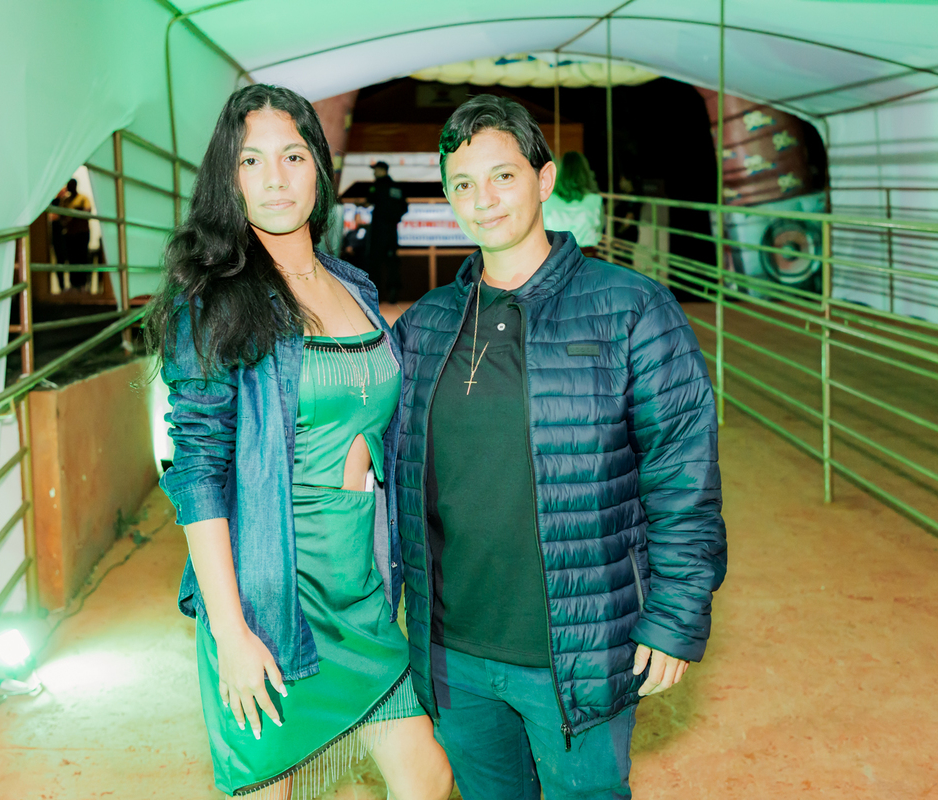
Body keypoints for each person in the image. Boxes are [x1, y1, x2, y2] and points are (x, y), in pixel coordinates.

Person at [392, 95, 727, 798]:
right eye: (463, 184)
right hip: (453, 651)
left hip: (576, 648)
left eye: (503, 176)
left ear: (544, 180)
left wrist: (674, 616)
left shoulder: (631, 309)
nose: (483, 200)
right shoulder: (426, 324)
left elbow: (682, 473)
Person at [146, 84, 452, 800]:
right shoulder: (213, 303)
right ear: (228, 179)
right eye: (250, 161)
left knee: (428, 777)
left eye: (292, 155)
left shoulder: (355, 286)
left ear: (319, 165)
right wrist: (231, 634)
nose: (275, 179)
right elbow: (197, 472)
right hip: (270, 595)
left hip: (360, 587)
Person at [542, 151, 603, 255]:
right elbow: (598, 233)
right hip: (586, 256)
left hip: (556, 256)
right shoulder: (595, 200)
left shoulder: (547, 200)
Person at [364, 161, 409, 303]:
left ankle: (374, 294)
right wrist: (394, 217)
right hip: (392, 230)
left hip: (378, 230)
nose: (374, 173)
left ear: (382, 170)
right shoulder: (396, 187)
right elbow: (404, 207)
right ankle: (393, 292)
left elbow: (369, 201)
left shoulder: (377, 185)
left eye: (376, 170)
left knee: (374, 262)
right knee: (392, 262)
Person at [57, 178, 93, 288]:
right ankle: (74, 284)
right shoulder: (65, 201)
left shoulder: (83, 198)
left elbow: (87, 211)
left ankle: (83, 284)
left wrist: (74, 216)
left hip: (82, 233)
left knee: (82, 258)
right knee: (72, 259)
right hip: (70, 234)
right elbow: (61, 215)